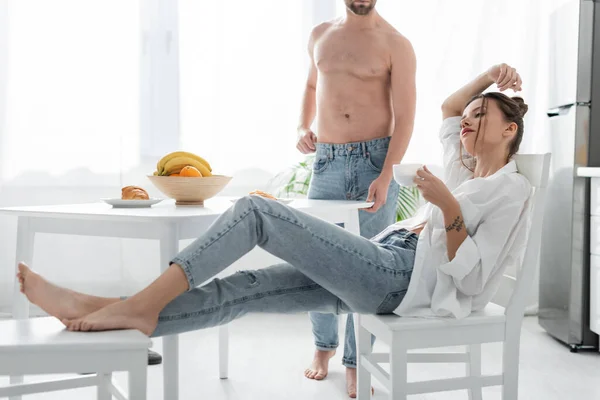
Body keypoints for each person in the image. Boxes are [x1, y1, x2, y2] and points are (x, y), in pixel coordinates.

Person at [17, 63, 529, 399]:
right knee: (243, 290)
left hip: (399, 277)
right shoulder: (463, 170)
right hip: (385, 259)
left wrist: (447, 208)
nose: (466, 120)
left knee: (256, 213)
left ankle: (139, 305)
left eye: (481, 116)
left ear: (510, 131)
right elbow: (445, 109)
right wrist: (489, 79)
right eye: (470, 114)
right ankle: (104, 310)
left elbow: (474, 281)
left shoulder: (512, 191)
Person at [296, 0, 416, 392]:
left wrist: (386, 174)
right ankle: (323, 346)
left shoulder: (396, 44)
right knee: (315, 262)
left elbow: (406, 115)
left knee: (367, 269)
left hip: (375, 162)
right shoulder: (320, 36)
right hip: (327, 163)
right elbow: (312, 85)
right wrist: (301, 125)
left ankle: (355, 360)